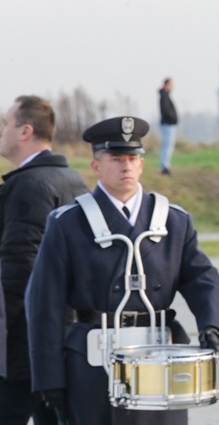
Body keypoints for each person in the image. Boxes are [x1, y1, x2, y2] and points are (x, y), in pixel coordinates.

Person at [26, 116, 219, 425]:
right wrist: (49, 378)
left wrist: (212, 324)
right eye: (116, 159)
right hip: (91, 364)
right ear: (96, 167)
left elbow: (203, 278)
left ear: (142, 165)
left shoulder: (173, 221)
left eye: (133, 158)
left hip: (159, 358)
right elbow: (44, 305)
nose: (126, 166)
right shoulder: (67, 223)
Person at [0, 95, 89, 425]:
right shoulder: (73, 180)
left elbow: (20, 271)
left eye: (6, 124)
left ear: (25, 131)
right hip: (66, 336)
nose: (1, 132)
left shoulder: (29, 186)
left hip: (26, 346)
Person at [159, 78, 178, 175]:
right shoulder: (164, 96)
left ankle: (165, 165)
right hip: (168, 124)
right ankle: (164, 166)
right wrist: (172, 118)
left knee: (167, 145)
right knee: (167, 145)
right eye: (171, 84)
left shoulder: (165, 95)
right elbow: (165, 111)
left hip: (168, 124)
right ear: (167, 84)